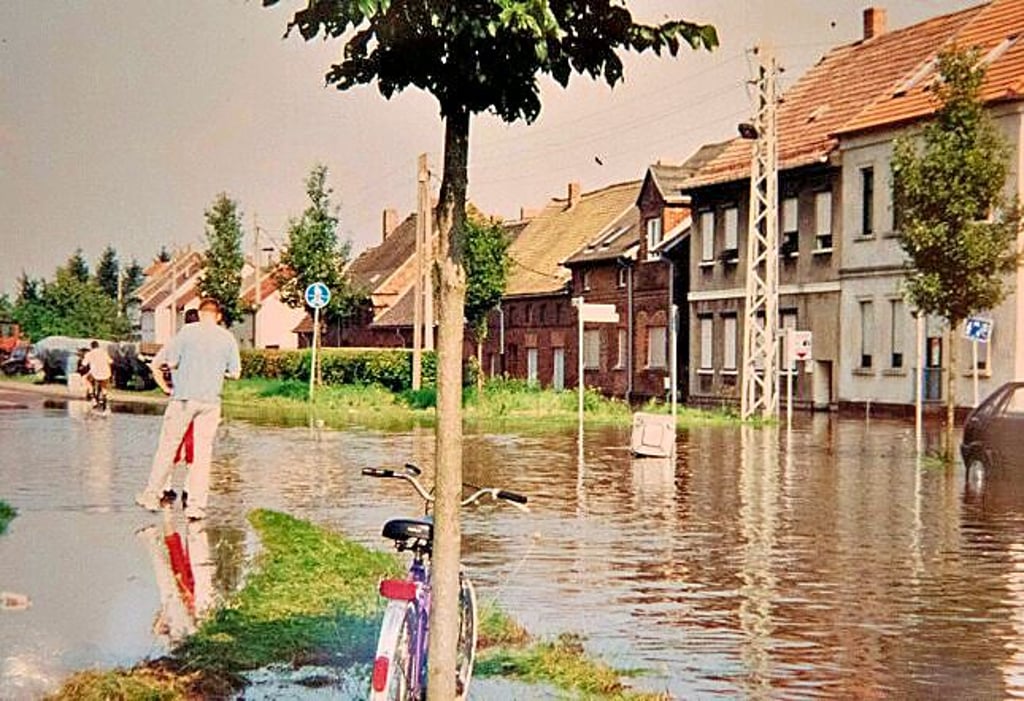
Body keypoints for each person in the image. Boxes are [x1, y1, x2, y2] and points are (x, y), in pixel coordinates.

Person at [136, 298, 240, 521]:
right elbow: (235, 373)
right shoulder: (228, 338)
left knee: (168, 447)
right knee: (203, 455)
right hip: (211, 402)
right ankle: (197, 506)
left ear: (201, 313)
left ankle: (152, 494)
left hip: (184, 398)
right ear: (219, 316)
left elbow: (172, 362)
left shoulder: (187, 332)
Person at [160, 308, 199, 507]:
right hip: (199, 401)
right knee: (194, 448)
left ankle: (166, 489)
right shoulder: (203, 346)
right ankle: (188, 490)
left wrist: (166, 388)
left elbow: (156, 366)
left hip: (178, 401)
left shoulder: (174, 343)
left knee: (172, 446)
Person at [81, 340, 113, 408]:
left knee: (86, 379)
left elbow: (84, 364)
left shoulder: (89, 354)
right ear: (98, 346)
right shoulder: (104, 353)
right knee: (104, 386)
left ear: (91, 347)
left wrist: (82, 368)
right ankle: (104, 396)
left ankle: (93, 398)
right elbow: (110, 361)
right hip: (106, 373)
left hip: (95, 373)